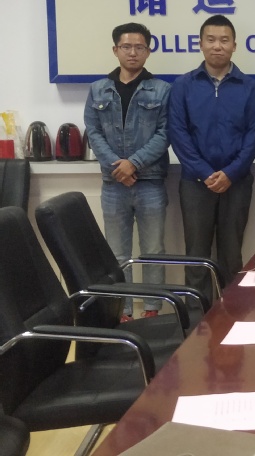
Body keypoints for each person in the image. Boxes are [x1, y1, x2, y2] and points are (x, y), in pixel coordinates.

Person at [168, 14, 255, 302]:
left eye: (224, 40)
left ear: (234, 45)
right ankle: (197, 320)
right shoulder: (183, 85)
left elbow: (253, 136)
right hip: (196, 183)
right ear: (200, 44)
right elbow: (178, 133)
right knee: (196, 256)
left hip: (236, 183)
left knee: (231, 256)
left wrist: (231, 173)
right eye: (210, 40)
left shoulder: (249, 87)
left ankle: (230, 315)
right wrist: (204, 172)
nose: (217, 46)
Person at [84, 22, 170, 322]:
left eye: (139, 47)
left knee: (153, 251)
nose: (133, 52)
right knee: (117, 254)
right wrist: (117, 166)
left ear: (148, 51)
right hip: (113, 184)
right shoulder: (98, 89)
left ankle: (152, 310)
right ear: (115, 50)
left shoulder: (162, 89)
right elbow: (93, 132)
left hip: (150, 181)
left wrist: (133, 163)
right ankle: (122, 312)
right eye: (126, 47)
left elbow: (165, 133)